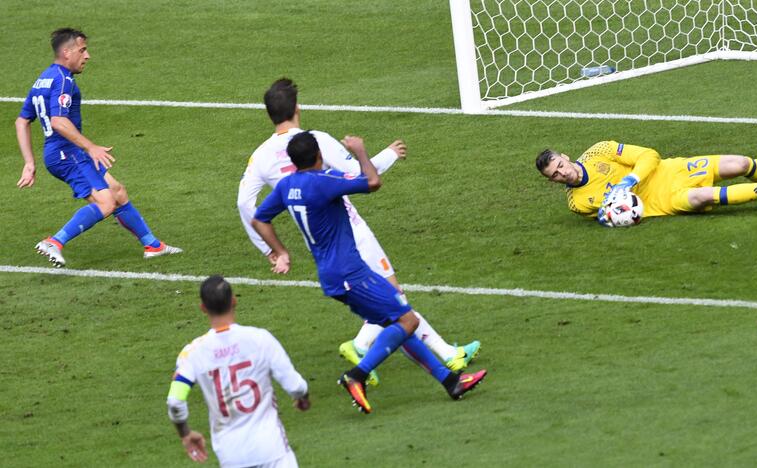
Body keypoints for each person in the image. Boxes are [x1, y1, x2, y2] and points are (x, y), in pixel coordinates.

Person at [237, 78, 480, 387]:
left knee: (391, 307)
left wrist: (272, 250)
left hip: (317, 239)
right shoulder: (316, 141)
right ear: (298, 108)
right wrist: (388, 154)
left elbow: (245, 204)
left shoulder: (260, 156)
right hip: (349, 231)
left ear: (269, 114)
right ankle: (370, 350)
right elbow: (362, 177)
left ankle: (446, 358)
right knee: (396, 303)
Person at [15, 28, 181, 267]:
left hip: (63, 152)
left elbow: (22, 121)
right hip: (66, 154)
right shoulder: (63, 81)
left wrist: (29, 163)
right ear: (66, 52)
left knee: (117, 191)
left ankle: (152, 245)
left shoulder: (44, 78)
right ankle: (55, 241)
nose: (87, 56)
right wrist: (91, 147)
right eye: (82, 50)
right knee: (105, 203)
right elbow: (58, 121)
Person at [167, 275, 310, 467]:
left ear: (203, 308)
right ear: (234, 301)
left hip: (231, 455)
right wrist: (302, 397)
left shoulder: (192, 353)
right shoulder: (261, 339)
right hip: (271, 449)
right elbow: (296, 386)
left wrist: (185, 434)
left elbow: (175, 401)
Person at [535, 140, 757, 222]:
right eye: (556, 175)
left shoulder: (600, 150)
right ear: (552, 182)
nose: (563, 173)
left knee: (742, 163)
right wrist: (610, 216)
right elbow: (616, 212)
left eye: (560, 165)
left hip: (671, 171)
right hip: (662, 202)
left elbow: (649, 155)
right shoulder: (577, 203)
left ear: (565, 156)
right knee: (704, 197)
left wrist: (632, 178)